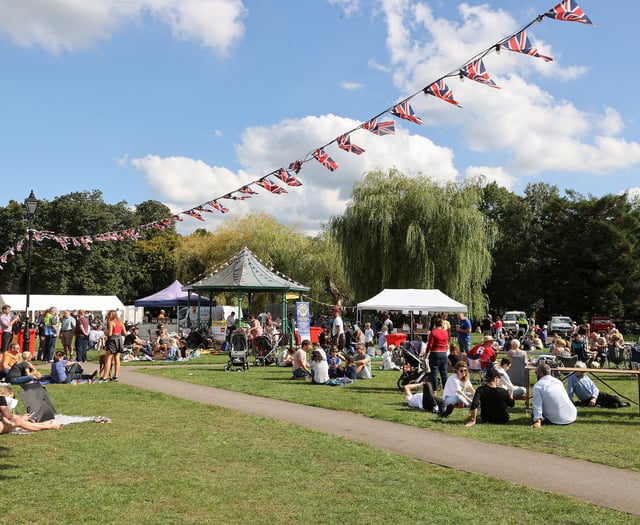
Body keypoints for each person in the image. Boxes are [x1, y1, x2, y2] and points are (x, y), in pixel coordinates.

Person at [531, 362, 577, 428]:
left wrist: (537, 422)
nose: (536, 375)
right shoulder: (558, 382)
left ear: (541, 373)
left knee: (533, 413)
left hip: (556, 419)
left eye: (536, 373)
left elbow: (537, 405)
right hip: (572, 415)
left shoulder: (538, 385)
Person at [97, 310, 125, 382]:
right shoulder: (120, 322)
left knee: (108, 358)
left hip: (112, 340)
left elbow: (109, 333)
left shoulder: (111, 322)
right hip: (119, 340)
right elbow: (124, 333)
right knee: (117, 358)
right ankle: (116, 376)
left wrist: (104, 333)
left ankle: (105, 376)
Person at [425, 318, 449, 391]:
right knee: (444, 373)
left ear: (435, 324)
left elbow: (430, 344)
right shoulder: (445, 332)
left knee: (434, 373)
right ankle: (447, 389)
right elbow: (446, 342)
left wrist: (426, 352)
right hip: (444, 353)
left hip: (435, 353)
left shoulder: (433, 332)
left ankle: (435, 389)